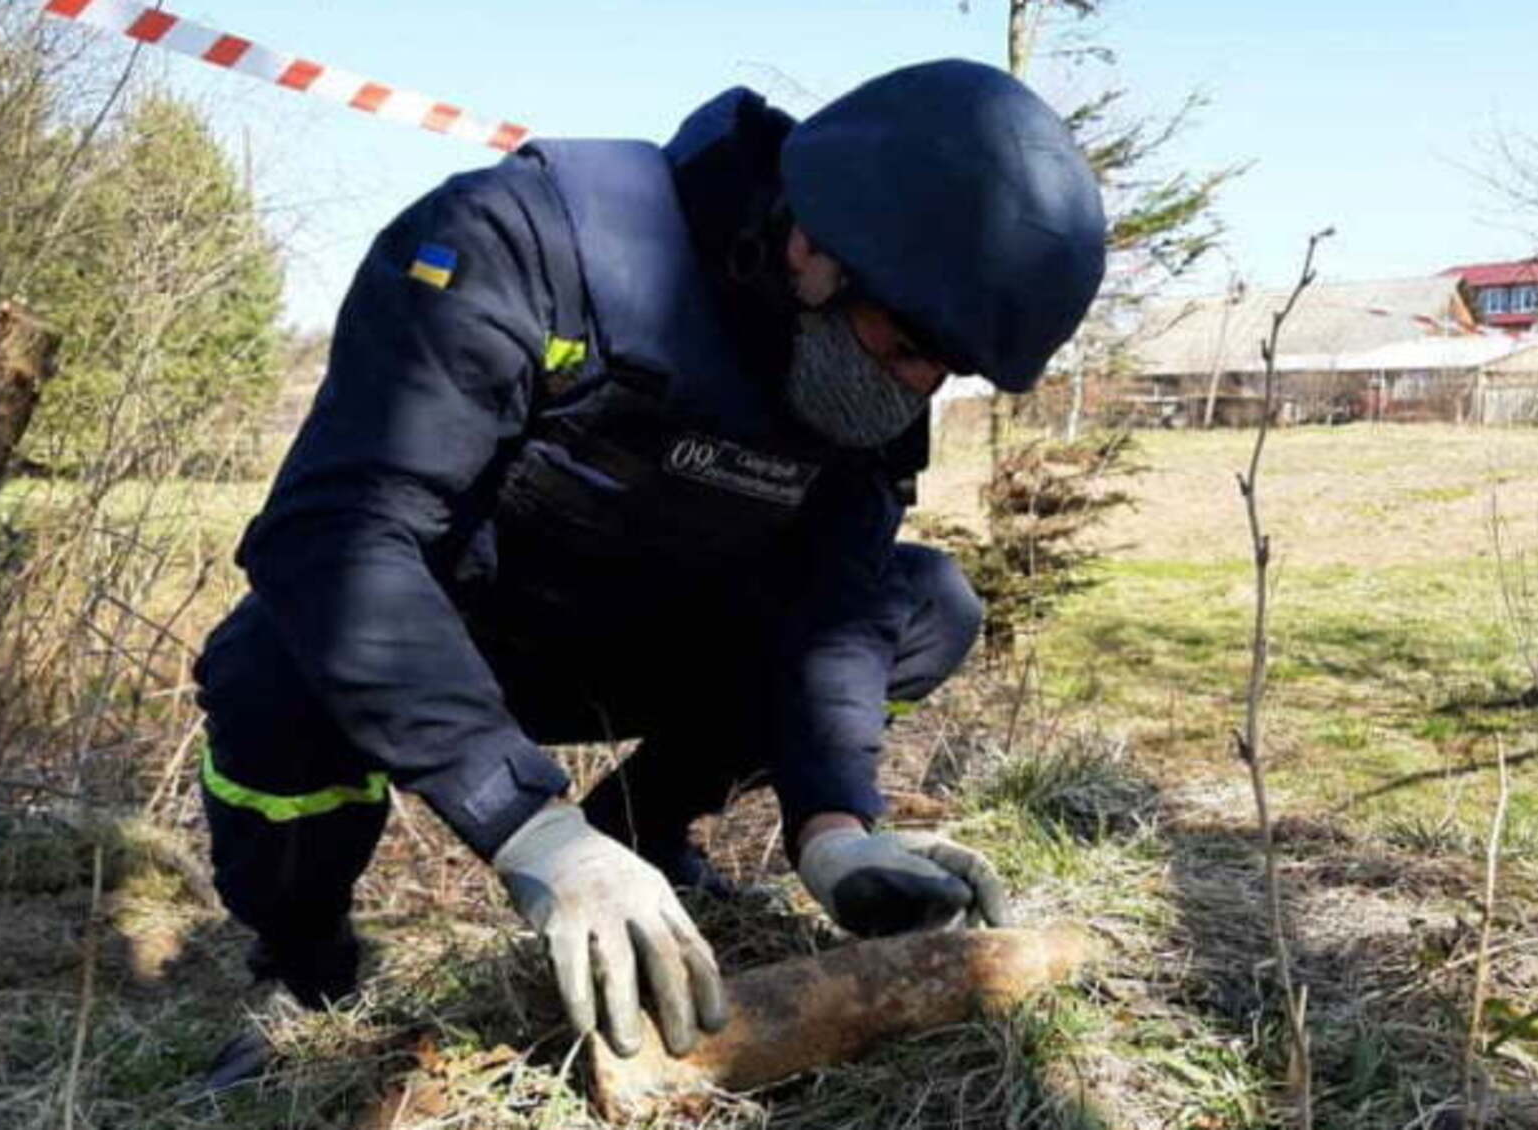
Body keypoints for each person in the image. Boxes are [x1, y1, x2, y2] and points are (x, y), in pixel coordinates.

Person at [193, 57, 1106, 1079]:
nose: (918, 386)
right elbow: (337, 534)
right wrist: (530, 829)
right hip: (446, 629)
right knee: (273, 661)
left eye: (950, 369)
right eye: (908, 346)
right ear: (812, 243)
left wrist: (834, 821)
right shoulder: (525, 241)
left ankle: (643, 835)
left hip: (638, 638)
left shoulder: (872, 374)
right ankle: (303, 966)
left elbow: (833, 609)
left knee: (926, 603)